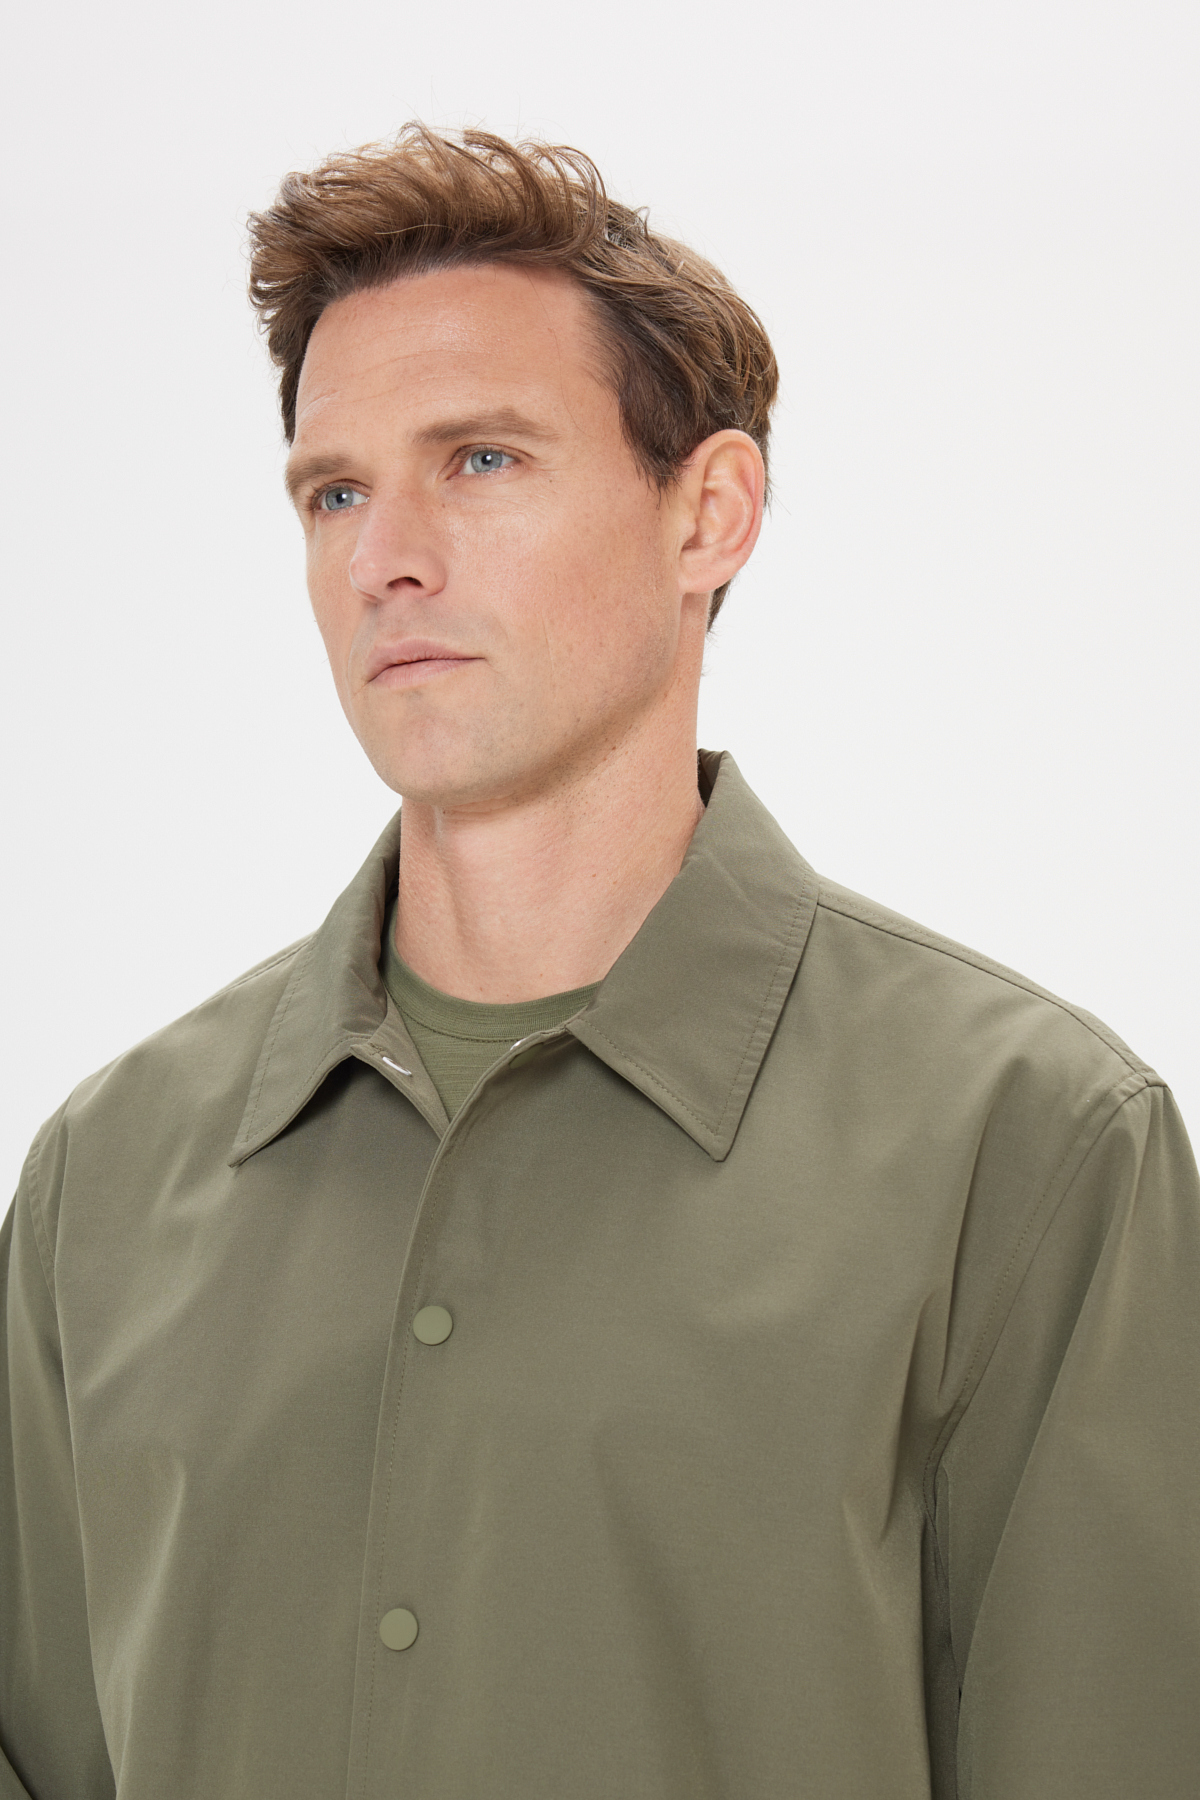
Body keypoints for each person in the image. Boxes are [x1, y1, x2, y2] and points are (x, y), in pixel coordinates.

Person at [2, 125, 1196, 1800]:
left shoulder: (1031, 1148)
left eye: (481, 460)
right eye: (335, 492)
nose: (385, 556)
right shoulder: (104, 1182)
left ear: (709, 513)